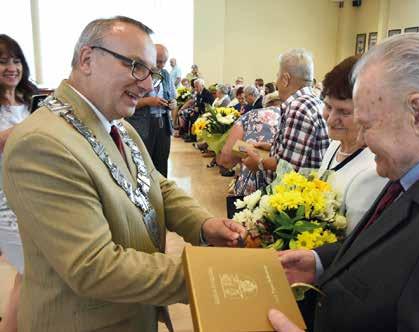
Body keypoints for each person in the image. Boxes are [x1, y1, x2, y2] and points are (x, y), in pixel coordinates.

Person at [3, 16, 245, 332]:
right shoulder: (42, 143)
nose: (147, 84)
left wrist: (204, 223)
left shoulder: (118, 124)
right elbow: (93, 266)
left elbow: (156, 185)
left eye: (151, 72)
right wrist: (211, 274)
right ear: (87, 59)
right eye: (134, 66)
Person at [269, 33, 419, 331]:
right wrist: (320, 261)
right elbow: (400, 249)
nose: (359, 138)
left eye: (366, 124)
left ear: (417, 113)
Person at [317, 55, 387, 234]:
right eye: (328, 107)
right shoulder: (334, 145)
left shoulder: (373, 170)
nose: (331, 119)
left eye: (344, 112)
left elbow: (352, 240)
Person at [243, 48, 329, 183]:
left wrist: (259, 162)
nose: (276, 83)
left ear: (285, 79)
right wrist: (273, 147)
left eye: (277, 76)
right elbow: (302, 152)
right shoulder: (313, 102)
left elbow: (289, 169)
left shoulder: (298, 108)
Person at [0, 34, 38, 332]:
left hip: (35, 199)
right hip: (5, 205)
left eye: (15, 61)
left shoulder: (30, 101)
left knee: (27, 276)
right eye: (2, 62)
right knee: (32, 271)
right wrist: (34, 127)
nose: (11, 67)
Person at [218, 91, 282, 195]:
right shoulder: (295, 118)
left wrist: (245, 151)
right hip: (287, 191)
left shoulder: (251, 115)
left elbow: (227, 158)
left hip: (253, 191)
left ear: (266, 104)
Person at [126, 43, 174, 177]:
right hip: (142, 125)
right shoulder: (137, 73)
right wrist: (148, 101)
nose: (162, 65)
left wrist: (172, 103)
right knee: (143, 163)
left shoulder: (165, 74)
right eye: (159, 61)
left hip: (163, 124)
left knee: (162, 161)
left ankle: (162, 194)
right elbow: (127, 104)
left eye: (164, 61)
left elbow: (171, 96)